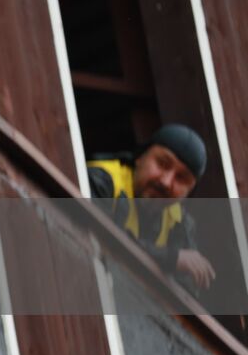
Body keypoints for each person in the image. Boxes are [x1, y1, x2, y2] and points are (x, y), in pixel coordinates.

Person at [88, 124, 216, 292]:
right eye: (162, 163)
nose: (166, 182)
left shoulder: (180, 223)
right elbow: (97, 235)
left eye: (182, 178)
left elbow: (189, 289)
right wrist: (170, 259)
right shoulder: (102, 180)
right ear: (140, 157)